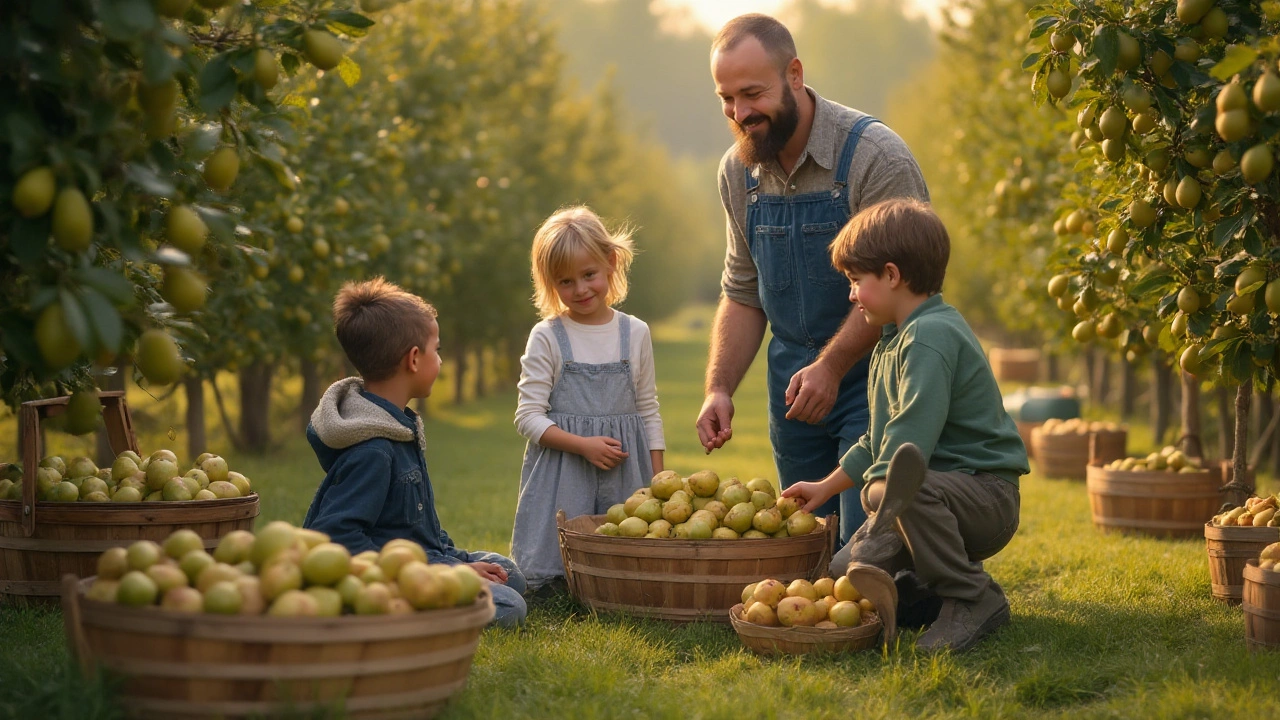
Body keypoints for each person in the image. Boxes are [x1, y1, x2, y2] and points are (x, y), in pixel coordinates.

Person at [697, 13, 930, 546]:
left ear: (795, 75)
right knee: (808, 549)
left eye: (752, 93)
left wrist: (831, 366)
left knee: (864, 546)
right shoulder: (738, 172)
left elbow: (906, 289)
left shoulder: (874, 156)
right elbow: (742, 290)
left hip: (878, 382)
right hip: (792, 390)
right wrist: (719, 388)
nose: (740, 113)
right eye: (726, 99)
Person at [782, 199, 1027, 652]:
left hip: (985, 496)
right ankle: (923, 596)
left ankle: (972, 598)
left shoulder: (931, 337)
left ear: (892, 275)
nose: (851, 294)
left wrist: (878, 515)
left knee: (883, 498)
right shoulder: (891, 344)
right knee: (843, 569)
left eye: (857, 281)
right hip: (930, 491)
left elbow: (910, 440)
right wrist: (827, 486)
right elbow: (877, 439)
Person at [303, 277, 527, 628]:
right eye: (437, 349)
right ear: (414, 359)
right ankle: (419, 609)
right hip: (391, 577)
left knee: (511, 574)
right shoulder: (374, 450)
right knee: (509, 607)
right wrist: (446, 573)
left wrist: (455, 561)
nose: (440, 358)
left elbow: (413, 527)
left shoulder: (397, 425)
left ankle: (456, 578)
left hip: (423, 559)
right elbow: (338, 539)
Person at [511, 206, 666, 594]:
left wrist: (659, 482)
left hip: (626, 469)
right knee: (554, 578)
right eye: (565, 281)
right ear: (549, 283)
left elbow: (648, 408)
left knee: (628, 570)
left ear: (610, 262)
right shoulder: (547, 336)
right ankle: (552, 585)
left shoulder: (635, 333)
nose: (580, 290)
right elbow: (527, 416)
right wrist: (582, 445)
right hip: (564, 469)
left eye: (589, 275)